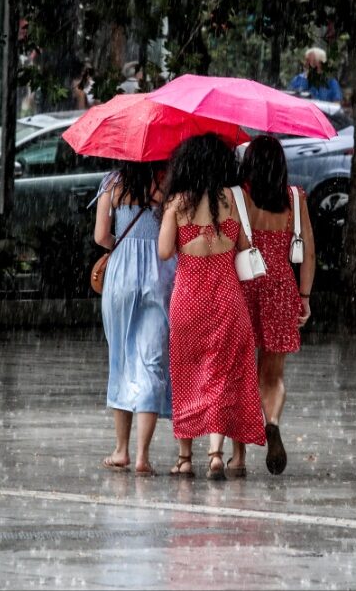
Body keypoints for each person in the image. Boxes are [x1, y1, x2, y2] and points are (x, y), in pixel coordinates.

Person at [158, 134, 266, 480]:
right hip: (227, 299)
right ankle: (216, 454)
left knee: (187, 372)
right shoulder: (235, 200)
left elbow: (163, 251)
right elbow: (245, 245)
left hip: (188, 299)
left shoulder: (177, 202)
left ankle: (185, 458)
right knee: (221, 373)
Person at [228, 135, 316, 476]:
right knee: (273, 375)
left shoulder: (239, 198)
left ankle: (238, 456)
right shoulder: (294, 199)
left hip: (245, 286)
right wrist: (304, 296)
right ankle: (273, 421)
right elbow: (308, 251)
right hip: (281, 288)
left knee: (240, 372)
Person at [94, 160, 176, 475]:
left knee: (121, 359)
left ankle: (121, 450)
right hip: (160, 275)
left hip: (121, 277)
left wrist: (123, 246)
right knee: (152, 362)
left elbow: (101, 235)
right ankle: (143, 455)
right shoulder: (165, 186)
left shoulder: (112, 184)